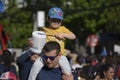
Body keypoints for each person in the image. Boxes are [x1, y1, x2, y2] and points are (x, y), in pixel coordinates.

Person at [28, 7, 76, 80]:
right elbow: (38, 39)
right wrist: (32, 41)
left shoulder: (62, 29)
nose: (56, 22)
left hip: (61, 55)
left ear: (61, 21)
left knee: (67, 70)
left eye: (58, 20)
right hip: (45, 55)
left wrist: (63, 35)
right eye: (53, 20)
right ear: (48, 19)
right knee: (36, 66)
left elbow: (73, 36)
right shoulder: (45, 30)